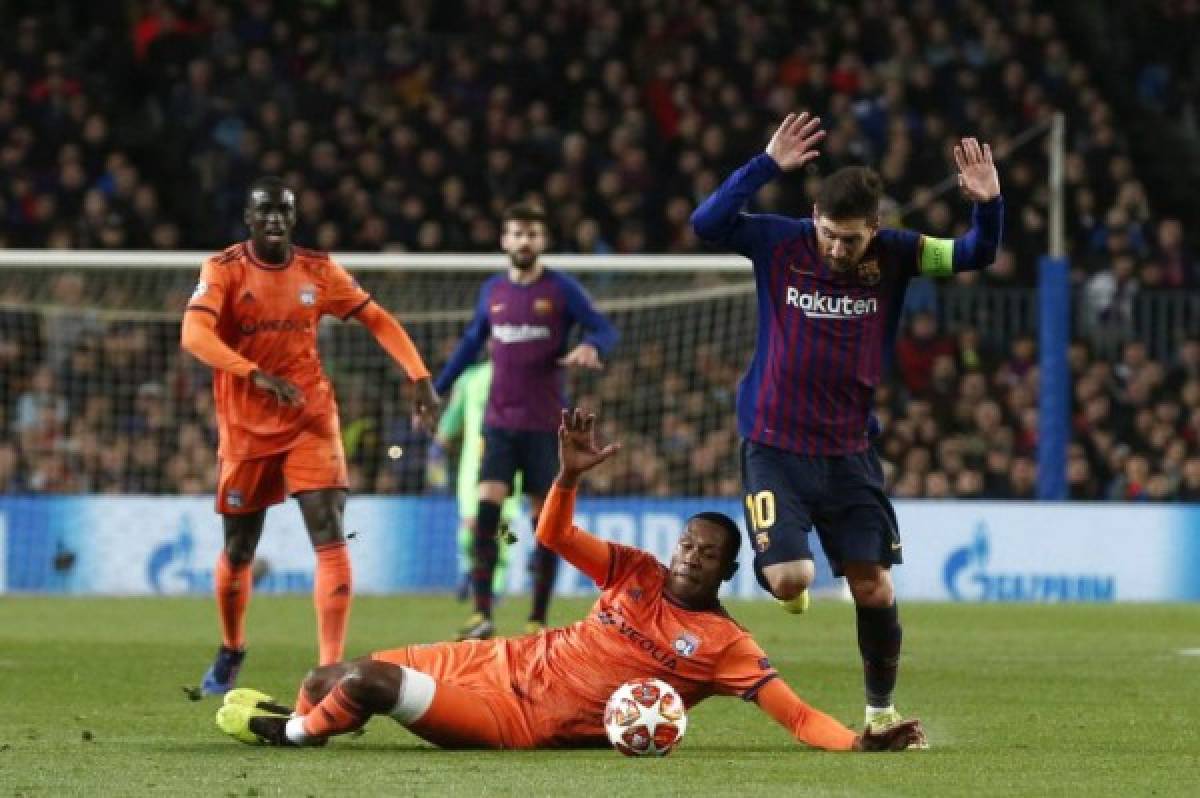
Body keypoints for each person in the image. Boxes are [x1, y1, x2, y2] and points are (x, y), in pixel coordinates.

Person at [214, 408, 927, 753]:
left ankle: (293, 739)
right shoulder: (635, 571)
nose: (688, 555)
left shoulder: (723, 646)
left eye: (706, 553)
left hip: (514, 720)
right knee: (322, 680)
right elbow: (552, 535)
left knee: (365, 684)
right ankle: (313, 717)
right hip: (494, 662)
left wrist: (859, 743)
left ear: (728, 570)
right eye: (687, 542)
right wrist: (565, 478)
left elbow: (798, 716)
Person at [690, 112, 1003, 736]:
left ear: (875, 229)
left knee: (875, 588)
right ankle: (788, 574)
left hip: (849, 452)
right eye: (829, 235)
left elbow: (976, 253)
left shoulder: (899, 255)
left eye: (851, 239)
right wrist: (765, 166)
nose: (837, 249)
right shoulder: (778, 243)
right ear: (813, 221)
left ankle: (880, 711)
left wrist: (988, 205)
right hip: (774, 444)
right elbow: (706, 224)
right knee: (788, 579)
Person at [180, 177, 440, 695]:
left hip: (310, 420)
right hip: (247, 431)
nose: (274, 219)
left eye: (284, 211)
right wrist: (254, 374)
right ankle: (232, 648)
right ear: (249, 219)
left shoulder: (318, 271)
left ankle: (330, 672)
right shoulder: (224, 270)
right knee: (239, 547)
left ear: (293, 219)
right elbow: (194, 336)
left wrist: (419, 375)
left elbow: (378, 318)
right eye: (264, 211)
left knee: (328, 531)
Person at [434, 203, 618, 640]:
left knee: (545, 527)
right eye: (516, 233)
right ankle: (482, 614)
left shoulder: (561, 289)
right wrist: (436, 388)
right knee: (487, 512)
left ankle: (537, 619)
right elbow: (470, 342)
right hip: (499, 424)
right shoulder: (492, 291)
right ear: (504, 240)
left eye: (531, 235)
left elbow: (604, 329)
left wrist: (593, 346)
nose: (523, 242)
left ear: (542, 241)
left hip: (544, 426)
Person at [433, 360, 522, 600]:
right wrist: (440, 443)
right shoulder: (470, 377)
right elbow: (455, 412)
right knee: (471, 522)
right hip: (474, 463)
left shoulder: (522, 372)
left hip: (511, 458)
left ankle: (498, 583)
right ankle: (468, 573)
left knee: (503, 525)